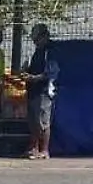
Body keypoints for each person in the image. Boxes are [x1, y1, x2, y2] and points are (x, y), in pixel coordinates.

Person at [24, 23, 58, 160]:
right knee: (33, 120)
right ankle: (34, 148)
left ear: (44, 36)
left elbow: (50, 72)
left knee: (43, 120)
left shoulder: (50, 51)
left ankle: (44, 150)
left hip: (44, 91)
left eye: (36, 38)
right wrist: (26, 71)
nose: (34, 41)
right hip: (33, 90)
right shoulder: (37, 51)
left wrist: (34, 78)